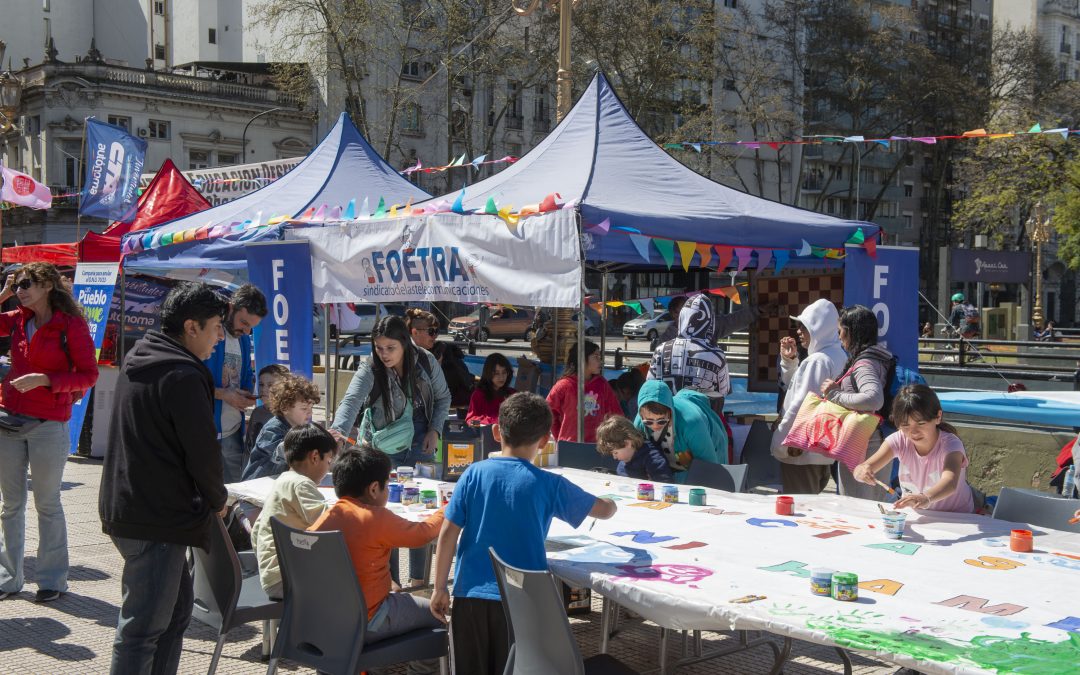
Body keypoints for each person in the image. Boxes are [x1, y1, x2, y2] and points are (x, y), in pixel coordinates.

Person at [429, 393, 617, 674]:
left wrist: (439, 586)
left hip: (470, 597)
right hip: (522, 602)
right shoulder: (550, 484)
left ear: (496, 432)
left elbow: (447, 533)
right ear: (544, 441)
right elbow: (603, 510)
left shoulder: (473, 473)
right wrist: (613, 501)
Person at [99, 282, 229, 672]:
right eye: (216, 327)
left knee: (174, 616)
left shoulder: (144, 355)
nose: (220, 336)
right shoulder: (182, 373)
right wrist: (218, 500)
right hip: (156, 516)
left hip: (135, 507)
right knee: (143, 630)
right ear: (191, 327)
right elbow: (203, 454)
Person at [0, 263, 98, 603]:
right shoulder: (16, 318)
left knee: (47, 504)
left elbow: (89, 375)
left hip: (48, 425)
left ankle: (52, 580)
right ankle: (9, 578)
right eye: (16, 284)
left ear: (47, 286)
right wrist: (3, 294)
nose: (20, 289)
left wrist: (45, 380)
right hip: (9, 421)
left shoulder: (70, 325)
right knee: (10, 506)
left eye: (26, 283)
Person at [331, 315, 450, 588]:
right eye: (379, 348)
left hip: (422, 441)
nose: (383, 354)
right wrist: (337, 434)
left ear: (405, 344)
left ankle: (419, 583)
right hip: (382, 447)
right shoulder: (369, 367)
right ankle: (391, 584)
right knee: (388, 513)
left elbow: (443, 398)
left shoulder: (425, 361)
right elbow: (350, 403)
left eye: (390, 348)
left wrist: (435, 430)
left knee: (421, 510)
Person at [310, 443, 444, 674]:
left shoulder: (328, 516)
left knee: (396, 595)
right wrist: (447, 509)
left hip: (325, 621)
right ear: (374, 489)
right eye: (387, 486)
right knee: (437, 616)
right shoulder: (375, 517)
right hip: (370, 618)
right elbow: (423, 534)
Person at [853, 385, 977, 513]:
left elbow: (950, 482)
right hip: (919, 516)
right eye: (905, 425)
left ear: (938, 417)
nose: (913, 432)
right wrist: (861, 472)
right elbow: (864, 467)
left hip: (958, 518)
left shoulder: (951, 444)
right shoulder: (899, 440)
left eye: (921, 423)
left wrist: (925, 498)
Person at [250, 423, 334, 599]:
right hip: (287, 578)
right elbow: (330, 523)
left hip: (272, 575)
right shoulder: (301, 484)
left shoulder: (283, 480)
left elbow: (257, 529)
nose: (328, 468)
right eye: (328, 461)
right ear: (315, 457)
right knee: (350, 578)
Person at [770, 299, 846, 494]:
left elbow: (801, 404)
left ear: (818, 328)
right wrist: (791, 362)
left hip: (801, 452)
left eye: (804, 326)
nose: (798, 331)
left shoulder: (817, 361)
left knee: (799, 510)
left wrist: (780, 441)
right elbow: (798, 388)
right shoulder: (839, 356)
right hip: (823, 448)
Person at [820, 305, 894, 501]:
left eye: (840, 331)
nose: (839, 337)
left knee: (857, 507)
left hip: (863, 446)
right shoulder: (877, 358)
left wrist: (834, 395)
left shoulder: (864, 364)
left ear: (850, 331)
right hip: (874, 441)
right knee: (872, 504)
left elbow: (874, 399)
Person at [206, 283, 268, 483]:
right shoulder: (209, 336)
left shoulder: (243, 340)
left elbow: (244, 376)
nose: (246, 330)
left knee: (234, 495)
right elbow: (191, 381)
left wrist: (246, 394)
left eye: (251, 327)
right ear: (231, 307)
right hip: (207, 431)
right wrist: (223, 394)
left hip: (233, 430)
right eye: (244, 322)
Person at [648, 295, 735, 415]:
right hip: (702, 421)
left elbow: (650, 386)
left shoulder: (661, 349)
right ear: (710, 319)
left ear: (683, 316)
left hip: (667, 421)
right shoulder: (717, 355)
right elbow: (723, 392)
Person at [635, 379, 725, 478]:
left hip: (707, 450)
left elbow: (709, 467)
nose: (655, 426)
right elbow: (634, 459)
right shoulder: (639, 423)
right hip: (675, 459)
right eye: (649, 422)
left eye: (661, 421)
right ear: (641, 416)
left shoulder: (692, 423)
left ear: (670, 412)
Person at [242, 373, 322, 481]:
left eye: (311, 408)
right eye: (304, 408)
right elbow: (279, 451)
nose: (309, 413)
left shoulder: (299, 427)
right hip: (258, 482)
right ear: (285, 408)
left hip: (278, 482)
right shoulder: (273, 428)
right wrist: (309, 442)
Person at [546, 340, 622, 443]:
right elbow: (547, 412)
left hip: (598, 446)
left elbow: (616, 414)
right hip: (569, 446)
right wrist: (559, 435)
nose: (601, 361)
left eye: (600, 357)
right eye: (596, 356)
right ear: (582, 359)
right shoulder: (564, 386)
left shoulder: (602, 384)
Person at [407, 308, 473, 409]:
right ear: (415, 332)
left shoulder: (432, 354)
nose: (435, 336)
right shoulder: (404, 354)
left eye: (437, 331)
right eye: (431, 331)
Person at [596, 414, 672, 481]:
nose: (614, 457)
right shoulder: (627, 454)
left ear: (627, 443)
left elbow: (664, 484)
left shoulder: (652, 458)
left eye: (615, 452)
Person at [245, 363, 289, 459]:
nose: (264, 389)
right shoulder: (257, 412)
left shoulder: (289, 416)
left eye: (270, 385)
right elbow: (248, 446)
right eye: (261, 384)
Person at [466, 353, 514, 426]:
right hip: (486, 435)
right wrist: (490, 421)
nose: (501, 377)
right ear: (488, 373)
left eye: (504, 372)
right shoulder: (478, 395)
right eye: (496, 373)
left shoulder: (512, 394)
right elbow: (470, 422)